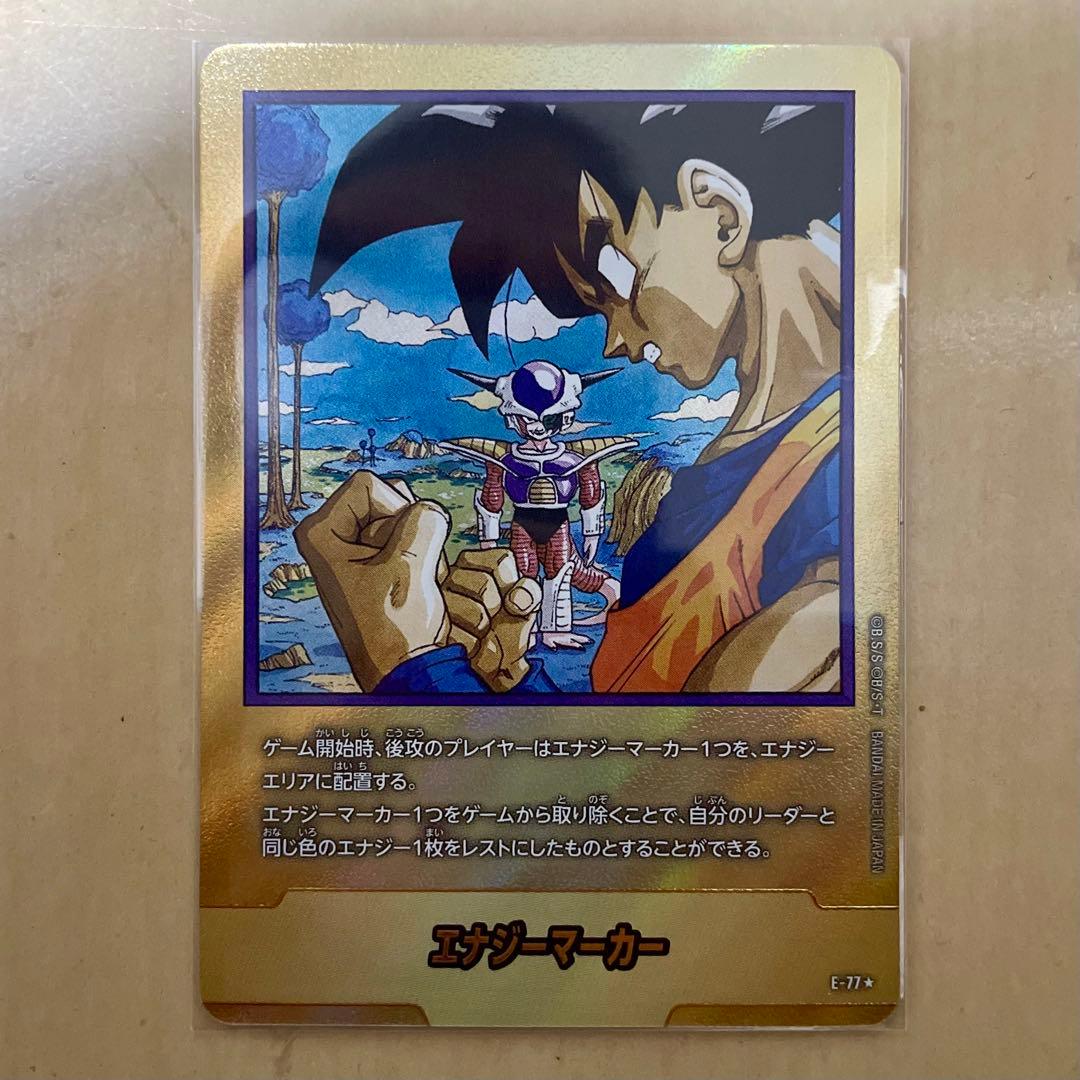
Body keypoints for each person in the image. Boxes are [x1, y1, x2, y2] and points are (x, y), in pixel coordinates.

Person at [298, 100, 844, 694]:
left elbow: (704, 749)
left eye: (616, 282)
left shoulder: (847, 486)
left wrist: (412, 667)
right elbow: (635, 722)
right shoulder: (755, 458)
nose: (615, 342)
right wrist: (497, 684)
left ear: (720, 215)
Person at [441, 359, 635, 649]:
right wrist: (489, 542)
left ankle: (556, 629)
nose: (537, 428)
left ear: (564, 418)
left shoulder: (576, 456)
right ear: (514, 419)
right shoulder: (503, 457)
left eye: (548, 420)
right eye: (528, 420)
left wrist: (592, 532)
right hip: (523, 523)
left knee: (561, 570)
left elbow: (591, 491)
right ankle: (525, 631)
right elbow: (492, 496)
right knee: (523, 572)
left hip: (557, 524)